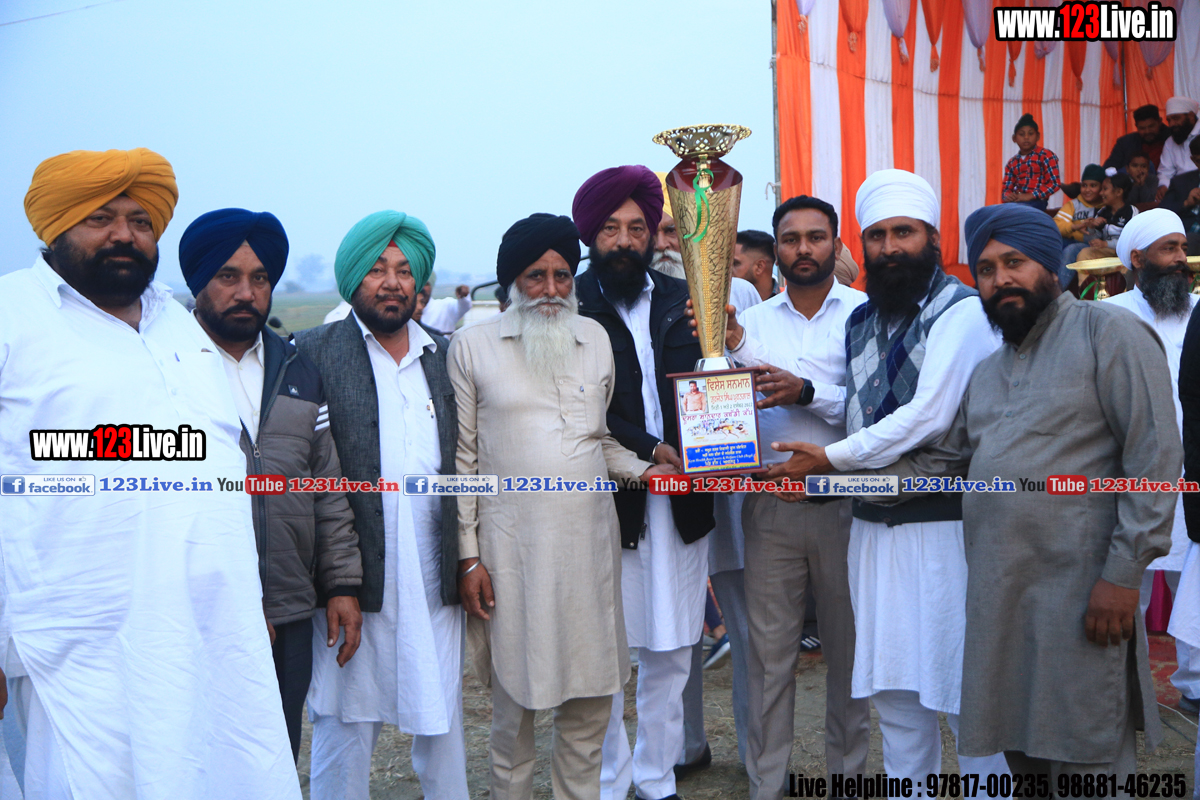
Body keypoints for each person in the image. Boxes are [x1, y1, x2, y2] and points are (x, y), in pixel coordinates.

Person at [0, 148, 299, 797]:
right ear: (57, 226)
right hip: (83, 642)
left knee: (230, 770)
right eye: (100, 218)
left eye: (140, 221)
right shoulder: (12, 316)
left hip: (215, 630)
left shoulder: (176, 326)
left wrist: (246, 594)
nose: (124, 235)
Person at [871, 203, 1179, 781]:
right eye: (986, 270)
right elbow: (937, 465)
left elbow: (1155, 458)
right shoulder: (989, 372)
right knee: (1024, 759)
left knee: (1087, 754)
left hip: (1083, 598)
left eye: (1014, 262)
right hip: (1003, 603)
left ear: (1050, 265)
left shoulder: (1108, 332)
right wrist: (823, 483)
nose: (1000, 279)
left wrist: (1122, 577)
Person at [760, 169, 1007, 780]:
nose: (891, 247)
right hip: (871, 531)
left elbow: (928, 415)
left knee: (963, 696)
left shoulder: (962, 310)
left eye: (904, 233)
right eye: (878, 236)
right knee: (895, 698)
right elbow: (857, 410)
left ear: (933, 238)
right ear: (863, 245)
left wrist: (828, 461)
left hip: (944, 531)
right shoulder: (862, 321)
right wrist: (807, 404)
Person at [449, 212, 667, 800]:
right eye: (536, 276)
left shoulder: (592, 339)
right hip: (511, 558)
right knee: (512, 716)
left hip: (588, 553)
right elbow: (464, 461)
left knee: (590, 710)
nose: (550, 289)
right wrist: (468, 557)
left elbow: (598, 440)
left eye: (563, 275)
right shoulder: (472, 346)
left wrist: (651, 470)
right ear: (512, 282)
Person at [179, 208, 364, 763]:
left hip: (288, 605)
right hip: (196, 610)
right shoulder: (167, 367)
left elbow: (327, 488)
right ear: (199, 281)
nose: (246, 292)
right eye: (228, 276)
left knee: (277, 756)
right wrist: (236, 600)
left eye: (259, 278)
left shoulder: (298, 370)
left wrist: (342, 585)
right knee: (198, 760)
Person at [294, 211, 468, 800]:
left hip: (432, 570)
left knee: (441, 714)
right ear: (352, 279)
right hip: (350, 574)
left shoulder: (445, 354)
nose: (392, 282)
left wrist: (470, 558)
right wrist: (334, 581)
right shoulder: (310, 353)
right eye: (376, 269)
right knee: (343, 717)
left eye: (403, 270)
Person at [716, 194, 871, 798]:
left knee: (849, 658)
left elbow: (874, 413)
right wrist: (731, 350)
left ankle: (848, 779)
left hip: (847, 507)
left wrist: (806, 391)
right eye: (790, 238)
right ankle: (767, 784)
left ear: (836, 244)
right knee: (767, 659)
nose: (803, 249)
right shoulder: (746, 325)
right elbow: (723, 410)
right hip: (770, 508)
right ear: (775, 250)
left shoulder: (866, 316)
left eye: (815, 237)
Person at [572, 165, 715, 800]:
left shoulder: (688, 299)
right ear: (590, 235)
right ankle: (610, 780)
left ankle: (657, 778)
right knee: (605, 653)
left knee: (674, 649)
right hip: (611, 503)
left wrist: (710, 444)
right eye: (611, 228)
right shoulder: (572, 306)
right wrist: (651, 450)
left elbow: (714, 380)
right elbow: (579, 409)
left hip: (683, 502)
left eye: (638, 227)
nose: (626, 240)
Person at [1105, 209, 1200, 720]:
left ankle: (1195, 685)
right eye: (1169, 249)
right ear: (1138, 258)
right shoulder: (1106, 316)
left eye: (1183, 247)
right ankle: (1123, 691)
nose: (1182, 259)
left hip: (1193, 471)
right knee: (1127, 581)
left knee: (1195, 581)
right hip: (1130, 472)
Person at [1055, 163, 1107, 285]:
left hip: (1093, 245)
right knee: (1051, 242)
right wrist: (1075, 227)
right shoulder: (1074, 204)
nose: (1087, 190)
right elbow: (1056, 225)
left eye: (1093, 185)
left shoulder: (1106, 207)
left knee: (1071, 249)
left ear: (1102, 188)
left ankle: (1058, 290)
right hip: (1071, 241)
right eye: (1084, 185)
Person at [1002, 113, 1062, 211]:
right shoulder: (1012, 163)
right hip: (1017, 201)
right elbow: (1006, 189)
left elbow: (1054, 183)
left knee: (1021, 212)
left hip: (1037, 201)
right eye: (1021, 134)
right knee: (996, 212)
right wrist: (1008, 196)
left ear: (1038, 136)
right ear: (1014, 138)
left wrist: (1030, 195)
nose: (1026, 137)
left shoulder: (1046, 155)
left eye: (1030, 134)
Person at [1077, 172, 1139, 262]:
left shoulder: (1131, 212)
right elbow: (1092, 242)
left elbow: (1131, 241)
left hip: (1125, 255)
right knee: (1081, 252)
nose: (1101, 193)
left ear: (1118, 192)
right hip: (1106, 253)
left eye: (1105, 189)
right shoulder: (1102, 212)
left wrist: (1106, 244)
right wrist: (1091, 228)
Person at [1160, 136, 1200, 255]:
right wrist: (1186, 203)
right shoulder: (1181, 182)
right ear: (1193, 160)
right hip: (1184, 234)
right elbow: (1162, 213)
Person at [1158, 97, 1200, 202]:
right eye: (1169, 120)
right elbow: (1165, 172)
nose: (1172, 124)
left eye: (1176, 118)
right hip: (1179, 192)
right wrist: (1163, 186)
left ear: (1191, 116)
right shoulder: (1170, 142)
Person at [1104, 103, 1169, 172]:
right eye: (1142, 128)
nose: (1147, 131)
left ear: (1160, 122)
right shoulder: (1125, 143)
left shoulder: (1172, 139)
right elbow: (1109, 169)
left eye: (1151, 126)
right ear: (1136, 126)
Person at [733, 230, 777, 300]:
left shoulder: (789, 301)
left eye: (735, 264)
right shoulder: (724, 301)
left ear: (759, 267)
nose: (727, 270)